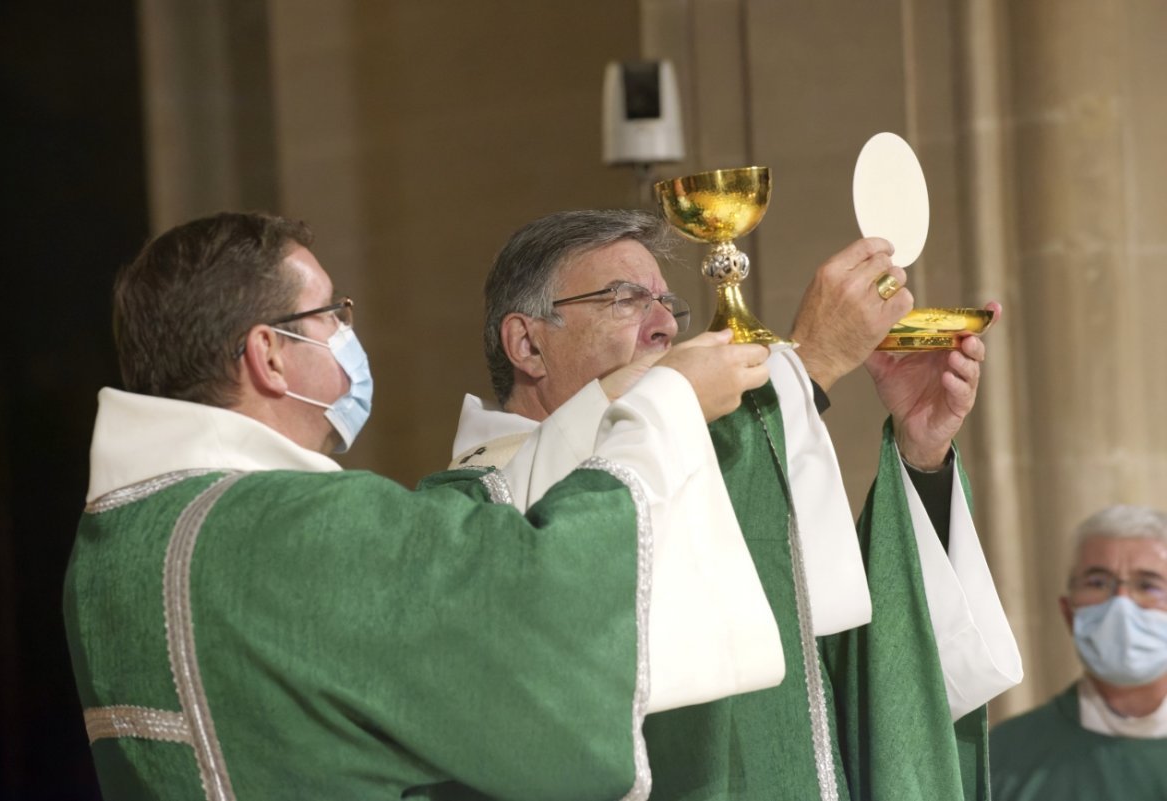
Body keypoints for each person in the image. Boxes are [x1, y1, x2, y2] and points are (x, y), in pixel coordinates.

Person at [62, 211, 795, 800]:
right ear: (269, 354)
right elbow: (530, 606)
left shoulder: (117, 545)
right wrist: (664, 407)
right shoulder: (289, 524)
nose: (351, 338)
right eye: (330, 316)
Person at [449, 209, 1023, 801]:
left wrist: (920, 456)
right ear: (527, 344)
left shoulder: (689, 454)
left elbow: (836, 659)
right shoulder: (483, 506)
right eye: (625, 299)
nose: (663, 326)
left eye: (668, 304)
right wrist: (812, 362)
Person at [990, 504, 1167, 800]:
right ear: (1069, 613)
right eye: (1098, 582)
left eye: (1147, 585)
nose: (1121, 603)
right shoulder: (1002, 756)